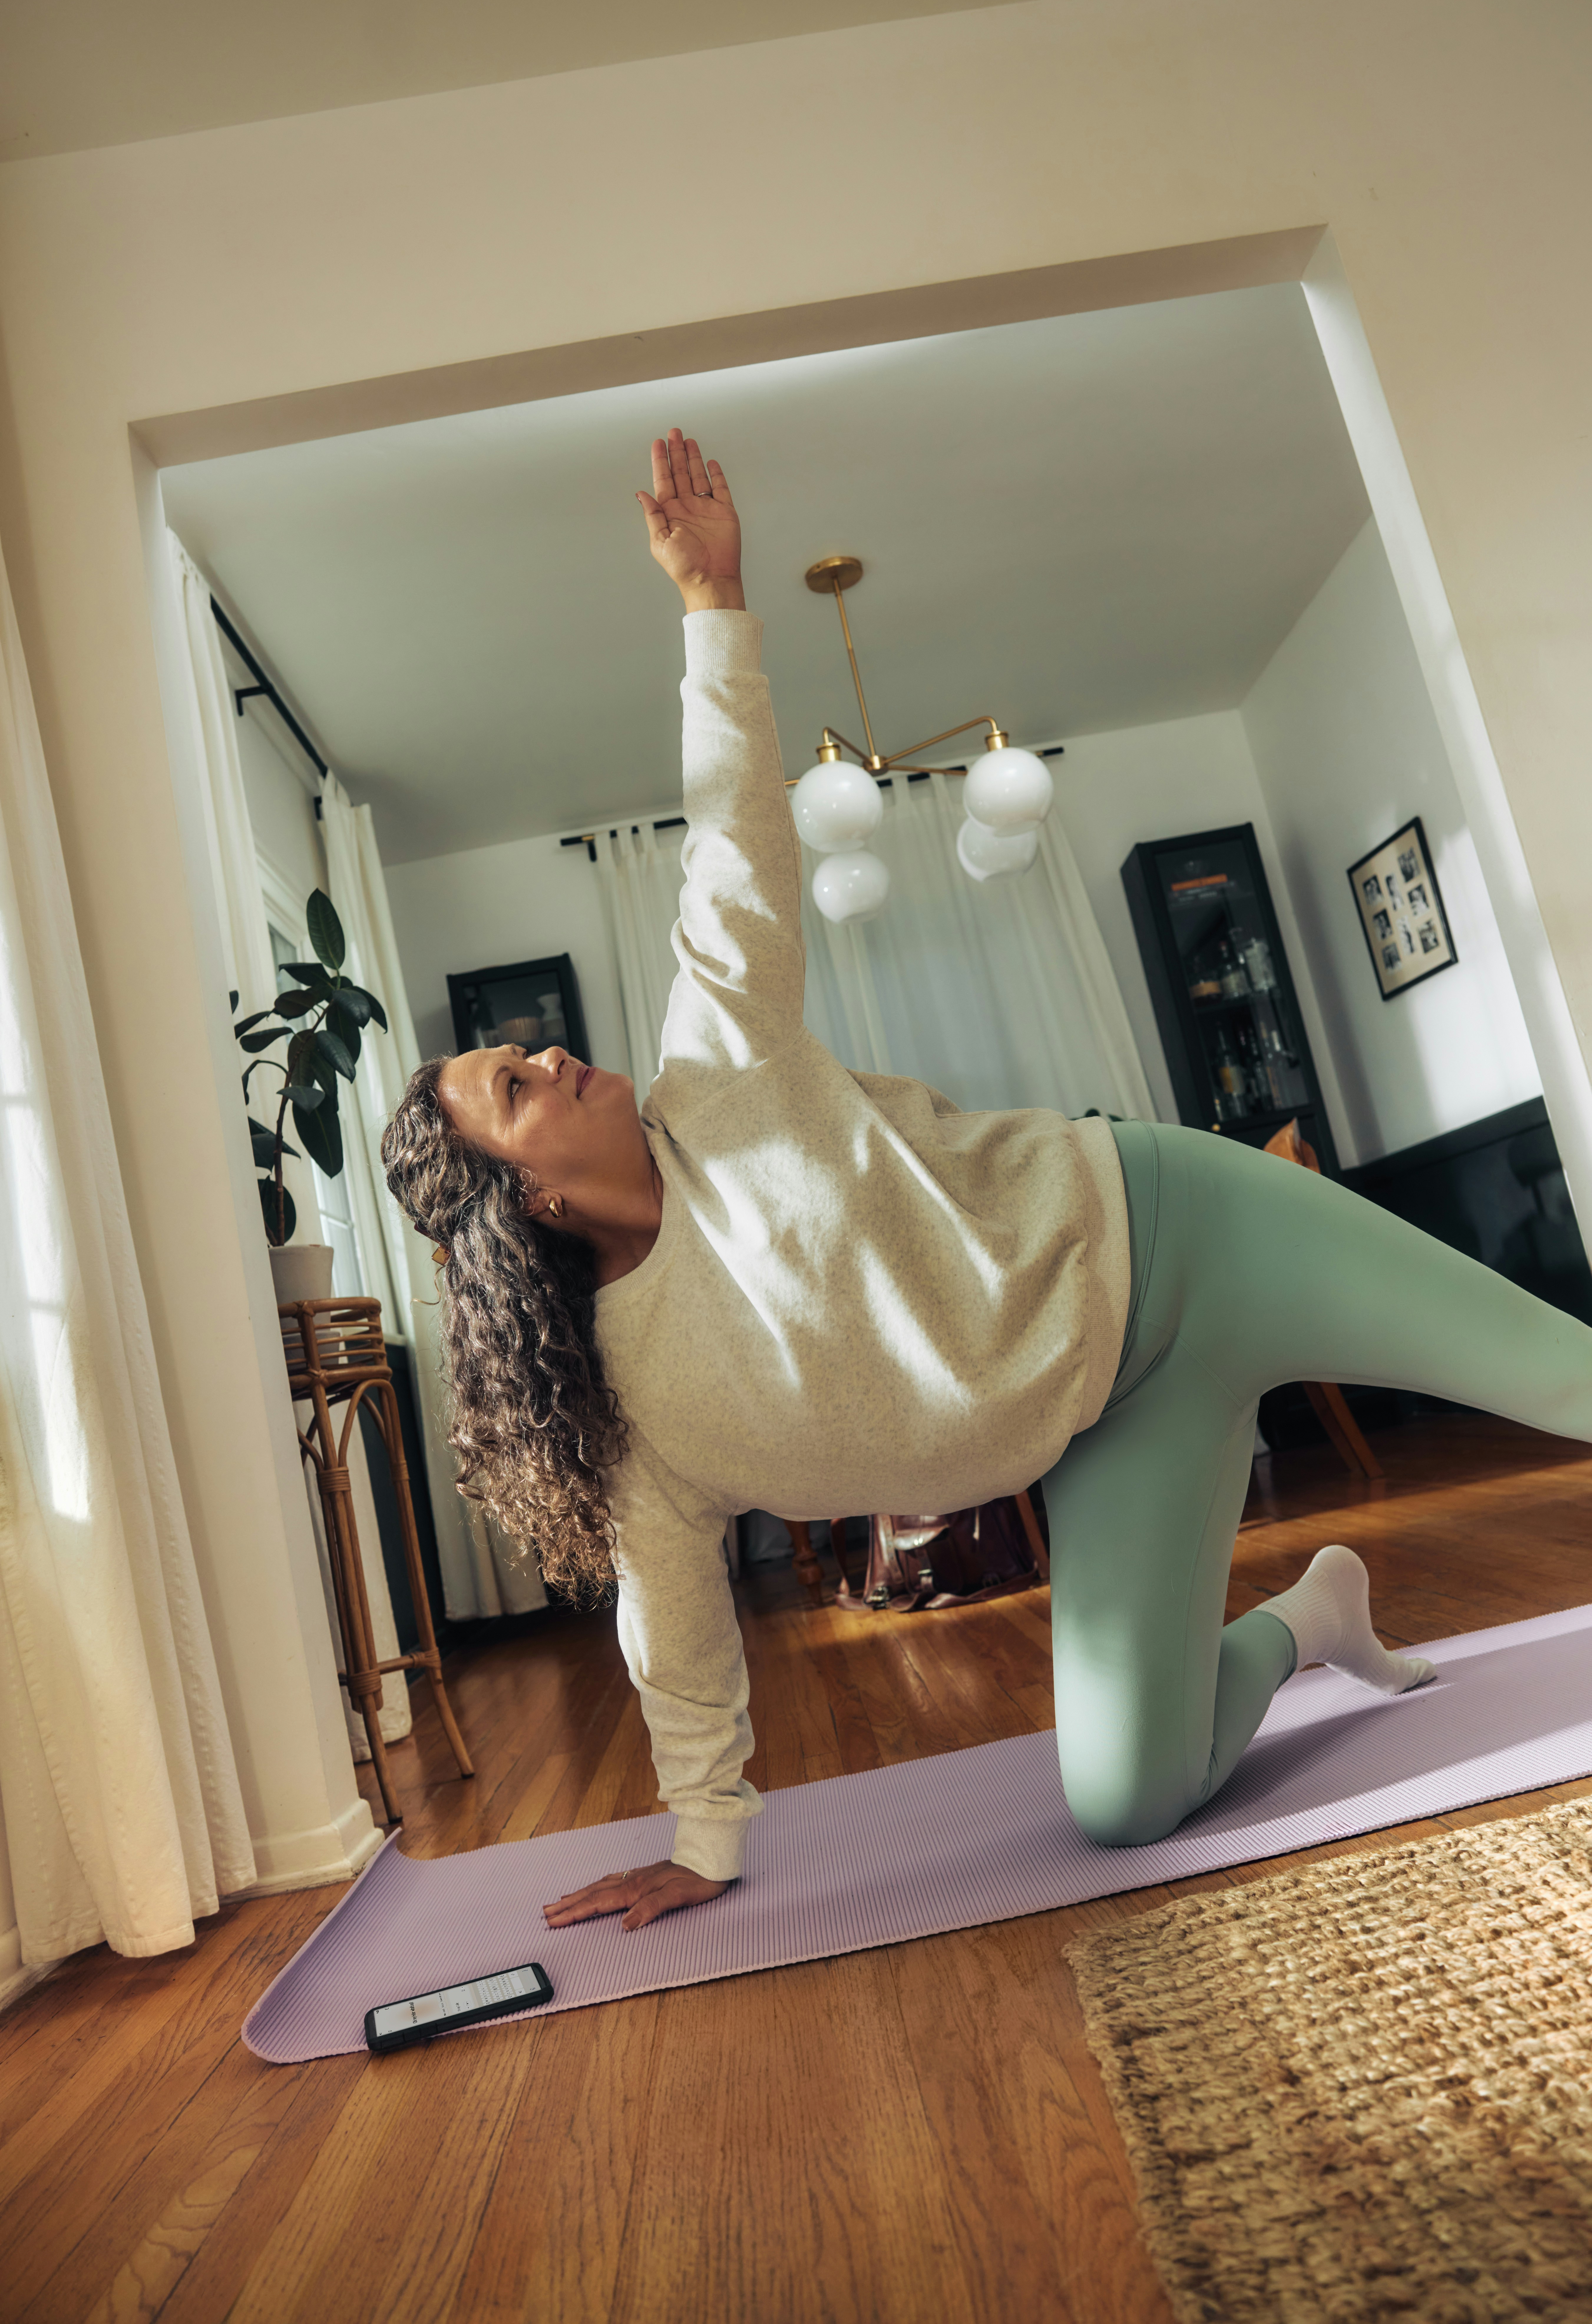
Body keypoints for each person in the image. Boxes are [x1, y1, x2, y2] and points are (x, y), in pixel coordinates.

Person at [382, 428, 1592, 1936]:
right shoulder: (633, 1420)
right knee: (1123, 1802)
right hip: (1106, 1419)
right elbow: (672, 1624)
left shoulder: (719, 1071)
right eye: (514, 1085)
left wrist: (713, 606)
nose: (549, 1056)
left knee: (1568, 1385)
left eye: (525, 1048)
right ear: (526, 1209)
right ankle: (1308, 1620)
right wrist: (704, 1840)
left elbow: (732, 842)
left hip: (1189, 1236)